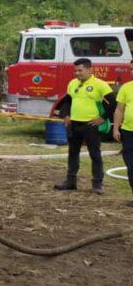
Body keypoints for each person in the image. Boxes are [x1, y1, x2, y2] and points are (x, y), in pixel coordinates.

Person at [54, 58, 115, 195]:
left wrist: (103, 118)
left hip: (90, 125)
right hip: (74, 125)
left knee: (95, 154)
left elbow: (114, 103)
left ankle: (97, 185)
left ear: (89, 70)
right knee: (73, 153)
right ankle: (70, 182)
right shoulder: (72, 83)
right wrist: (66, 115)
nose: (77, 73)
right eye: (75, 70)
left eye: (80, 70)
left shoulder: (100, 84)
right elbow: (67, 103)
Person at [113, 60, 133, 207]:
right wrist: (116, 128)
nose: (132, 71)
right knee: (131, 165)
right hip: (128, 131)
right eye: (131, 69)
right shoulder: (126, 87)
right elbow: (119, 109)